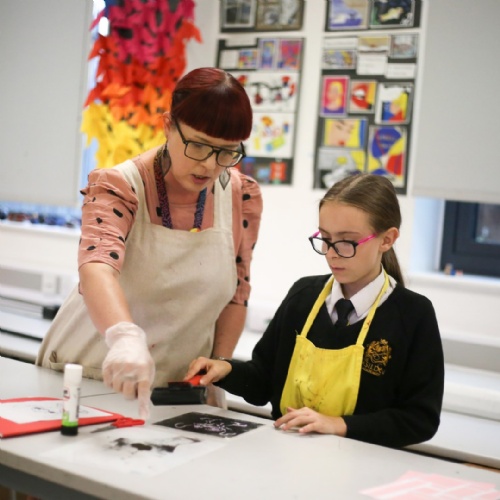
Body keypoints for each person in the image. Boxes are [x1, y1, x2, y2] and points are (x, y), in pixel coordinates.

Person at [36, 67, 263, 419]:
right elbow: (97, 267)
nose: (209, 165)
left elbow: (237, 291)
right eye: (198, 145)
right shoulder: (118, 186)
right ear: (168, 125)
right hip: (90, 375)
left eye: (225, 152)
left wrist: (217, 365)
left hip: (177, 392)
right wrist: (124, 338)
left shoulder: (240, 196)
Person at [185, 173, 444, 449]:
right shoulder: (304, 296)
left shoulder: (413, 315)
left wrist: (338, 425)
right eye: (326, 238)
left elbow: (420, 419)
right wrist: (226, 369)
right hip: (286, 454)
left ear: (387, 239)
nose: (331, 253)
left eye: (347, 242)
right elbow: (263, 381)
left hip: (360, 464)